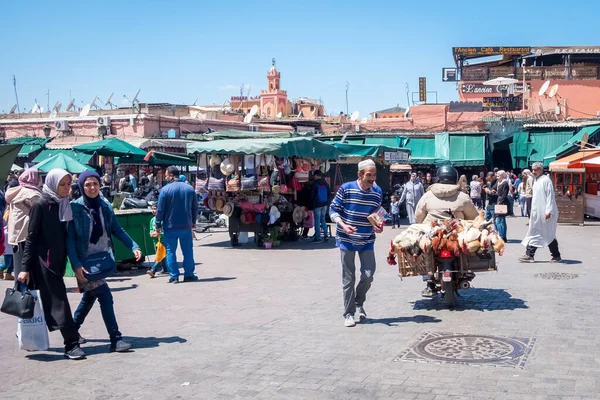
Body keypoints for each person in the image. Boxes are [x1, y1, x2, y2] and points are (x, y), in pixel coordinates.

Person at [67, 170, 142, 353]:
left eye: (95, 184)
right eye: (87, 184)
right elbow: (69, 240)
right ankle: (115, 339)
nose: (92, 188)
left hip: (101, 260)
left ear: (100, 185)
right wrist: (76, 266)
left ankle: (71, 332)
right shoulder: (75, 208)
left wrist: (134, 246)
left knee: (89, 298)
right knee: (105, 296)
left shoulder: (104, 206)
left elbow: (116, 229)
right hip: (85, 264)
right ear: (82, 187)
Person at [18, 169, 85, 359]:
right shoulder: (40, 204)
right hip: (42, 262)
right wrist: (24, 268)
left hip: (58, 260)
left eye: (68, 185)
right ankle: (71, 344)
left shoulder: (63, 204)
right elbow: (31, 238)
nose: (66, 189)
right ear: (53, 184)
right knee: (59, 300)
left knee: (51, 301)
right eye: (62, 185)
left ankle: (68, 336)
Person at [329, 159, 383, 327]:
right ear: (359, 175)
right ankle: (349, 313)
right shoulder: (346, 189)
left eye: (374, 174)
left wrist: (378, 225)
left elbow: (376, 213)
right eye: (369, 175)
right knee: (349, 278)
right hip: (346, 240)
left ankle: (359, 302)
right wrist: (343, 226)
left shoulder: (377, 192)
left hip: (367, 239)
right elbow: (333, 210)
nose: (372, 178)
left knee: (368, 275)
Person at [415, 165, 478, 297]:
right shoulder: (462, 196)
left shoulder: (428, 195)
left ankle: (429, 282)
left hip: (432, 232)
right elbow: (473, 216)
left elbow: (418, 215)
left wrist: (422, 224)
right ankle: (466, 270)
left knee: (425, 249)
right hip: (456, 231)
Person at [155, 166, 199, 283]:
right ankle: (189, 274)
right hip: (186, 225)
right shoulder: (190, 189)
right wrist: (193, 221)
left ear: (170, 174)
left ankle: (174, 276)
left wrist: (157, 224)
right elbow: (195, 207)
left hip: (170, 226)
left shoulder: (165, 190)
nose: (165, 176)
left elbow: (160, 210)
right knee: (188, 251)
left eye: (166, 174)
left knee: (170, 251)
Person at [519, 162, 561, 263]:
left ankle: (555, 255)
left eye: (536, 169)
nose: (534, 172)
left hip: (545, 213)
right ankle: (530, 255)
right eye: (533, 169)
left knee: (547, 233)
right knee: (536, 231)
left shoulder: (546, 180)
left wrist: (548, 211)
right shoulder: (536, 180)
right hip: (537, 213)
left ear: (541, 170)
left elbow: (550, 197)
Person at [5, 168, 42, 281]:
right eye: (38, 176)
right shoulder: (33, 194)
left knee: (19, 270)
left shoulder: (16, 190)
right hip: (28, 235)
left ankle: (19, 295)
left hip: (15, 235)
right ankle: (26, 297)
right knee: (28, 272)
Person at [147, 204, 167, 277]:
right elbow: (151, 230)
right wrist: (152, 234)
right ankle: (166, 269)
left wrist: (160, 234)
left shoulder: (163, 219)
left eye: (155, 209)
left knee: (159, 255)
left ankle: (153, 270)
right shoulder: (152, 220)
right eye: (152, 209)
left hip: (163, 240)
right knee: (163, 256)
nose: (153, 210)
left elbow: (165, 230)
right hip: (155, 241)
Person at [310, 170, 330, 243]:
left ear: (316, 175)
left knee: (317, 221)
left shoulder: (315, 184)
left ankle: (318, 237)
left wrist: (312, 201)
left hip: (317, 204)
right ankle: (326, 235)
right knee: (323, 219)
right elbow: (328, 194)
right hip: (324, 204)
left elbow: (312, 195)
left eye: (314, 176)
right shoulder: (325, 183)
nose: (314, 177)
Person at [495, 170, 509, 242]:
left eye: (498, 175)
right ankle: (502, 235)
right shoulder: (499, 183)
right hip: (498, 200)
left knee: (500, 220)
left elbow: (504, 193)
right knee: (499, 219)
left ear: (502, 176)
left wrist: (501, 201)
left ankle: (502, 236)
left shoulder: (505, 183)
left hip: (502, 202)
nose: (497, 176)